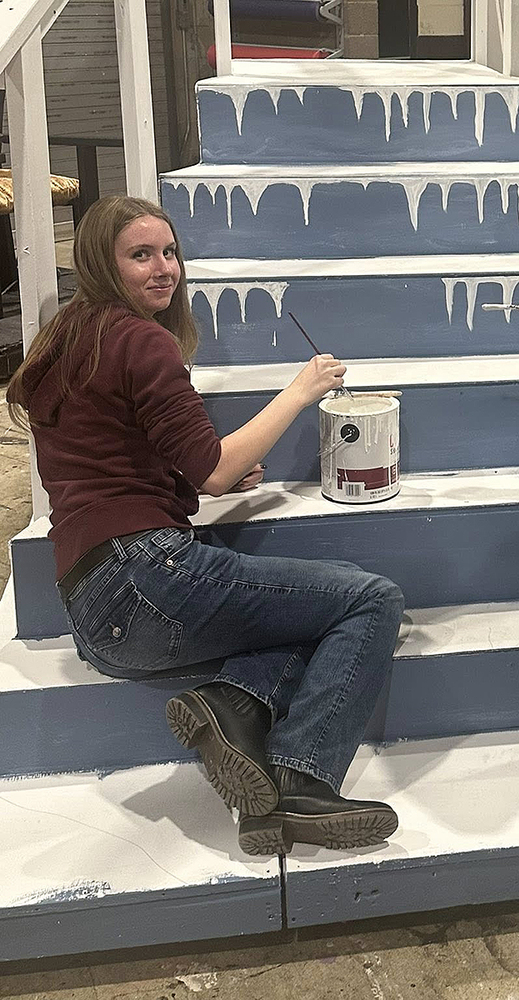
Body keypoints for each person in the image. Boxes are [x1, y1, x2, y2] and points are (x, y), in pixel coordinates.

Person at [6, 196, 405, 858]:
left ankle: (237, 722)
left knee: (307, 619)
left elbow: (114, 459)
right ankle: (303, 776)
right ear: (102, 266)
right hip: (146, 577)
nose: (163, 269)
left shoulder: (73, 337)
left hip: (96, 614)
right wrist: (301, 391)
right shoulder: (141, 340)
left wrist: (189, 476)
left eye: (170, 253)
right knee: (370, 599)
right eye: (140, 256)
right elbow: (215, 474)